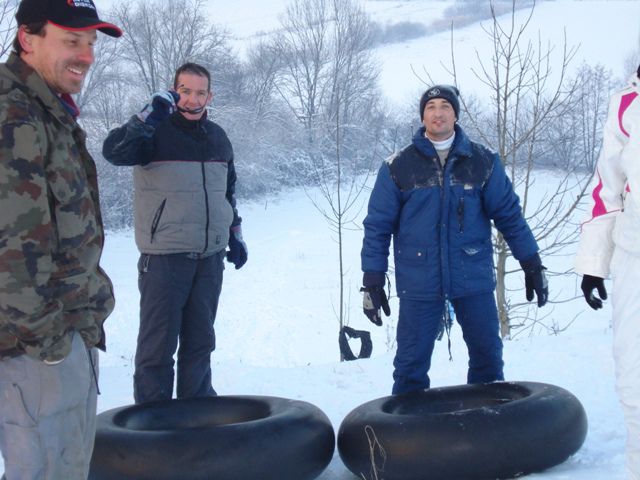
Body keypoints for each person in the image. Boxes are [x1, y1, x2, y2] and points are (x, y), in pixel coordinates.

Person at [360, 84, 548, 395]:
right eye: (431, 107)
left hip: (472, 276)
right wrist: (372, 279)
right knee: (410, 365)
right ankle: (410, 435)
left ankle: (485, 426)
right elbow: (377, 226)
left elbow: (509, 216)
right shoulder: (397, 166)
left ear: (455, 114)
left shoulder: (482, 162)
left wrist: (531, 262)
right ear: (422, 116)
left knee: (488, 359)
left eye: (445, 106)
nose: (438, 113)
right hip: (419, 280)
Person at [0, 0, 121, 478]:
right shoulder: (14, 116)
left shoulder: (48, 111)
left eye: (90, 43)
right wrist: (51, 342)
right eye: (71, 41)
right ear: (28, 39)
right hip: (33, 348)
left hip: (62, 333)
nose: (87, 55)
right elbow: (11, 251)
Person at [102, 62, 247, 404]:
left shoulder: (218, 137)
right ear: (173, 90)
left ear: (209, 95)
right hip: (165, 258)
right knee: (158, 347)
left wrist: (235, 233)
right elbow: (114, 152)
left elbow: (227, 191)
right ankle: (154, 425)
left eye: (200, 92)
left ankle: (197, 417)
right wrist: (145, 119)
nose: (192, 99)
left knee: (200, 343)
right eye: (185, 91)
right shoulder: (153, 132)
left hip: (209, 259)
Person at [575, 64, 640, 480]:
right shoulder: (626, 105)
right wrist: (594, 265)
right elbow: (607, 189)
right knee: (633, 372)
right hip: (635, 253)